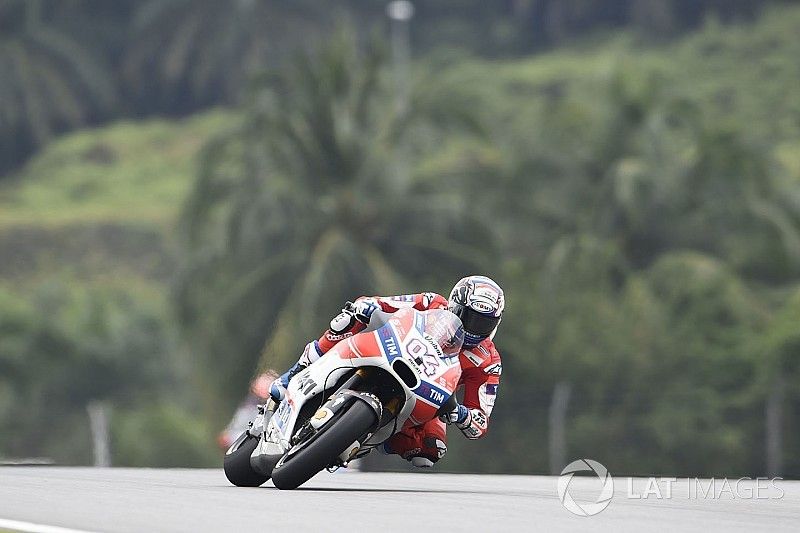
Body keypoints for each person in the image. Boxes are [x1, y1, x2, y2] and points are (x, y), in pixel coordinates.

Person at [269, 275, 504, 468]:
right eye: (469, 318)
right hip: (391, 353)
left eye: (483, 324)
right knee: (347, 319)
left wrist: (461, 414)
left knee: (431, 450)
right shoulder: (432, 303)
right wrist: (368, 307)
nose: (474, 329)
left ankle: (371, 440)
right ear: (454, 306)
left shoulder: (488, 361)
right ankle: (296, 372)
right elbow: (387, 303)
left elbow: (480, 421)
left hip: (427, 394)